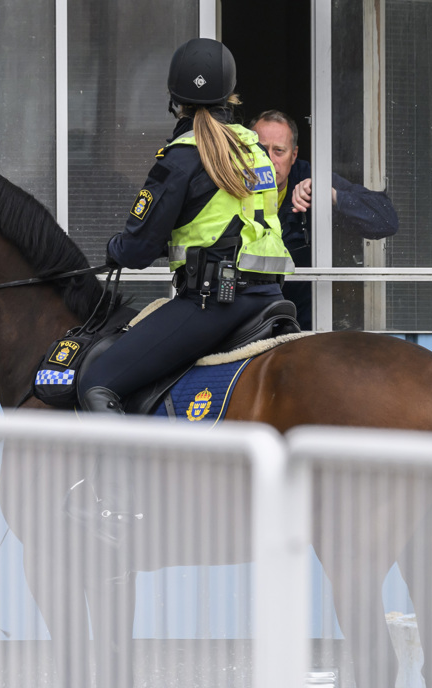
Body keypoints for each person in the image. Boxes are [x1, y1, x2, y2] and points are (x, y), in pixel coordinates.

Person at [79, 38, 293, 415]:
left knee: (98, 381)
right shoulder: (255, 151)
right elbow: (228, 225)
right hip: (269, 298)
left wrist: (114, 248)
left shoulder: (180, 158)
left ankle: (122, 477)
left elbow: (138, 250)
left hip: (213, 305)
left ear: (175, 100)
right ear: (230, 95)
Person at [248, 110, 399, 330]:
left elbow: (387, 220)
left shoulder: (309, 177)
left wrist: (330, 195)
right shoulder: (232, 180)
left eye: (279, 151)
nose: (269, 160)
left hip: (304, 323)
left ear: (294, 155)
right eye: (261, 150)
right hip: (248, 318)